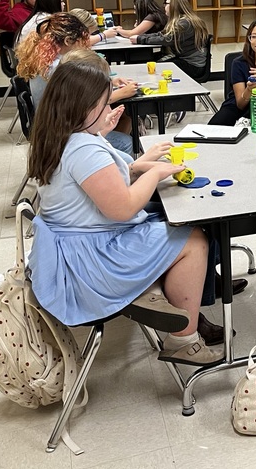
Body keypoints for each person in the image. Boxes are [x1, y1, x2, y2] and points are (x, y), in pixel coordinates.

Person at [25, 61, 224, 366]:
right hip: (91, 265)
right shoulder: (82, 148)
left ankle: (180, 301)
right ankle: (184, 341)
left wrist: (135, 164)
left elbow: (97, 184)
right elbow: (123, 208)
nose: (109, 110)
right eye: (104, 104)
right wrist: (154, 173)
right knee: (194, 239)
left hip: (75, 248)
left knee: (170, 217)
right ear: (83, 106)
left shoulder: (56, 136)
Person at [134, 0, 209, 79]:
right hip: (186, 61)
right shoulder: (180, 21)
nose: (164, 6)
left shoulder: (185, 23)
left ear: (174, 6)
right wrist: (141, 37)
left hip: (193, 66)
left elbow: (167, 39)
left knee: (156, 68)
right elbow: (162, 34)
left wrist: (140, 39)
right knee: (152, 61)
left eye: (166, 3)